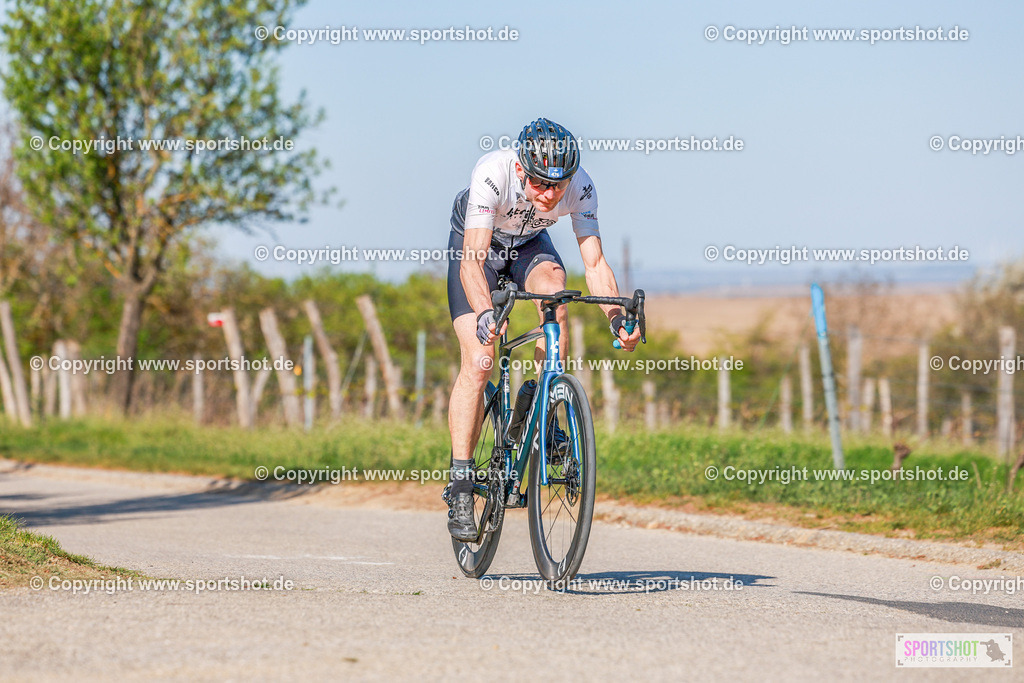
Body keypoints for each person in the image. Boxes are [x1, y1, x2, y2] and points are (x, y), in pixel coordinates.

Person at [445, 117, 641, 540]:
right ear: (520, 170)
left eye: (559, 186)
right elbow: (471, 262)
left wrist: (616, 317)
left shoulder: (581, 186)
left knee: (557, 292)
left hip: (530, 247)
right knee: (480, 361)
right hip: (482, 250)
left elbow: (594, 264)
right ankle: (461, 483)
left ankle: (544, 397)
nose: (551, 195)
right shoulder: (493, 173)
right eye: (540, 185)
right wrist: (484, 314)